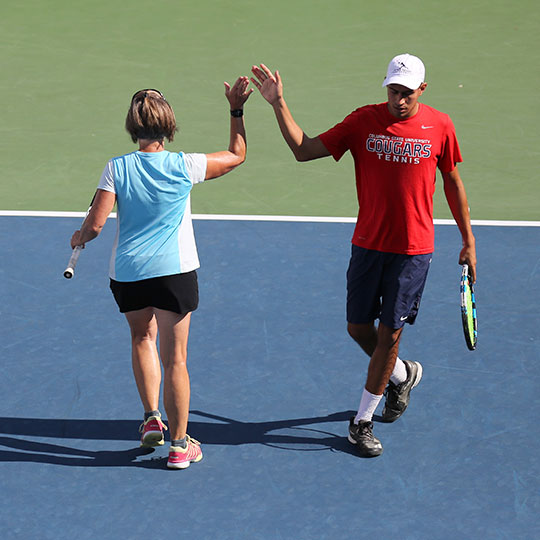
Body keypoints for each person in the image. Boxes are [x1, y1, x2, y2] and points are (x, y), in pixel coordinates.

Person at [251, 54, 476, 457]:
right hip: (368, 245)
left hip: (413, 251)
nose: (399, 99)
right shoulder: (362, 121)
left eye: (407, 92)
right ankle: (403, 374)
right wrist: (277, 103)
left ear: (422, 90)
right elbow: (305, 150)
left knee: (390, 335)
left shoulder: (440, 126)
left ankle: (361, 423)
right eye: (393, 90)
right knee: (359, 328)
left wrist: (468, 241)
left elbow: (453, 182)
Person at [70, 77, 253, 469]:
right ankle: (179, 444)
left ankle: (152, 417)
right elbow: (237, 155)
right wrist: (235, 110)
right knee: (176, 360)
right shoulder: (186, 165)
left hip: (130, 273)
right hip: (175, 273)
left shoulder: (115, 168)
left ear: (133, 127)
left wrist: (79, 235)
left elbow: (96, 226)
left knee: (141, 338)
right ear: (169, 126)